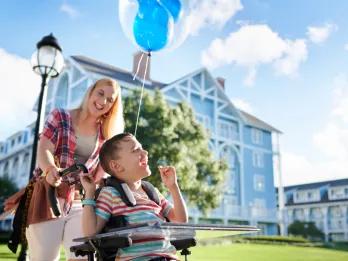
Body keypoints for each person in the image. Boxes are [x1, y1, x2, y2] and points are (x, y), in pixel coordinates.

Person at [26, 78, 124, 261]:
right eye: (101, 93)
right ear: (91, 91)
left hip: (80, 203)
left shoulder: (107, 135)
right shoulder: (60, 116)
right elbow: (44, 147)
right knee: (43, 258)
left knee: (82, 256)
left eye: (110, 100)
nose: (103, 101)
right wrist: (50, 170)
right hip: (49, 197)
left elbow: (101, 175)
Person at [80, 133, 188, 261]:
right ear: (116, 166)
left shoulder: (152, 193)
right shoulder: (111, 194)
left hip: (167, 257)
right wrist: (89, 192)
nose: (145, 152)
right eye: (136, 150)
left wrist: (173, 187)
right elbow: (90, 233)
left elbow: (181, 220)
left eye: (142, 148)